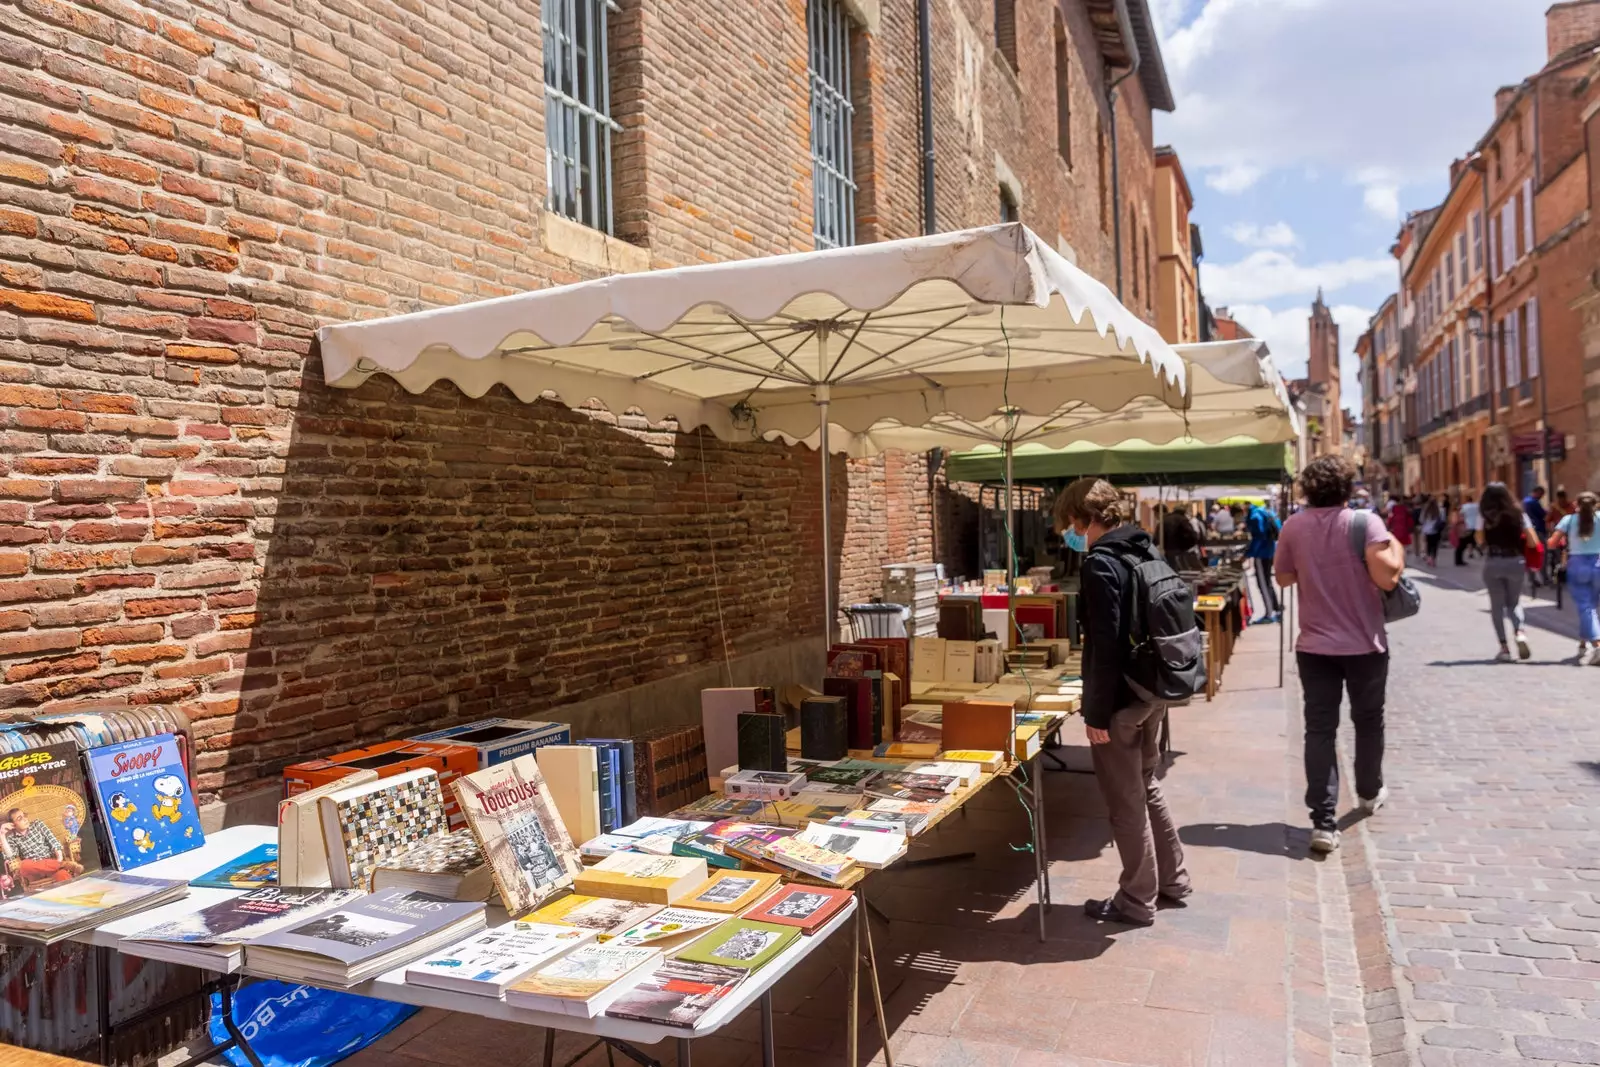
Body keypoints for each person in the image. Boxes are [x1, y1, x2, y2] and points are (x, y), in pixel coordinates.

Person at [1055, 477, 1190, 926]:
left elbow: (1105, 645)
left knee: (1125, 801)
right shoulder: (1144, 549)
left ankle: (1136, 899)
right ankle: (1173, 879)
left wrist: (1094, 713)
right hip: (1153, 688)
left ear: (1082, 518)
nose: (1067, 534)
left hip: (1122, 698)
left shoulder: (1100, 563)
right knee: (1147, 783)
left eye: (1068, 524)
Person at [1274, 456, 1405, 854]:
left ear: (1308, 489)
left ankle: (1323, 822)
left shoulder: (1293, 526)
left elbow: (1283, 577)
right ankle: (1367, 793)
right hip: (1365, 644)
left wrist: (1314, 568)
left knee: (1319, 730)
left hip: (1314, 646)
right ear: (1348, 487)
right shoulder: (1366, 523)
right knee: (1367, 722)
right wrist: (1395, 546)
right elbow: (1388, 575)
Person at [1478, 482, 1540, 662]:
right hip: (1515, 561)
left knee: (1496, 606)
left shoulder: (1484, 516)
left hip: (1493, 561)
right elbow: (1533, 542)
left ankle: (1504, 648)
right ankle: (1519, 632)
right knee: (1514, 602)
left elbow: (1480, 540)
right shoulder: (1519, 514)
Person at [1550, 491, 1600, 664]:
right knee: (1590, 607)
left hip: (1577, 565)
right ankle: (1582, 643)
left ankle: (1598, 646)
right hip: (1598, 563)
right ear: (1596, 504)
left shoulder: (1569, 520)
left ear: (1576, 504)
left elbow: (1552, 543)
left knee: (1585, 607)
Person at [2, 808, 81, 885]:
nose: (25, 819)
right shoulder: (12, 837)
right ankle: (63, 865)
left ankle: (59, 865)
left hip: (50, 864)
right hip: (34, 872)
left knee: (63, 875)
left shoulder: (38, 824)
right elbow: (10, 857)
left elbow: (54, 842)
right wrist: (2, 835)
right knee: (24, 865)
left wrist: (59, 859)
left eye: (24, 816)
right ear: (12, 824)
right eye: (20, 818)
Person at [1245, 500, 1282, 622]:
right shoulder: (1265, 512)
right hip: (1269, 550)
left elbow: (1259, 536)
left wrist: (1248, 553)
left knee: (1263, 583)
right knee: (1267, 582)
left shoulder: (1255, 515)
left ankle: (1269, 613)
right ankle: (1275, 608)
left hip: (1261, 553)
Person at [1420, 497, 1445, 566]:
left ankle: (1429, 558)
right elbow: (1443, 520)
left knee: (1428, 545)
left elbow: (1421, 520)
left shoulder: (1425, 511)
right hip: (1436, 530)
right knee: (1435, 546)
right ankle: (1433, 559)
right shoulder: (1440, 510)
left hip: (1427, 531)